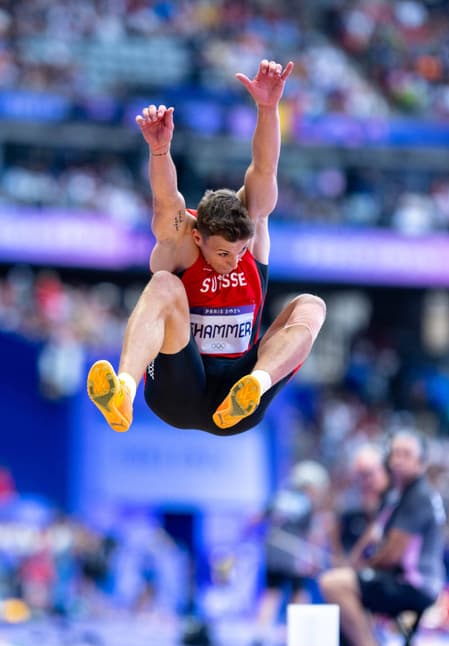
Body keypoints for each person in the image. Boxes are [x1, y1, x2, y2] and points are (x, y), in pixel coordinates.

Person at [86, 58, 326, 435]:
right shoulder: (182, 241)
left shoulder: (252, 227)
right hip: (180, 391)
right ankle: (123, 392)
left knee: (312, 306)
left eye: (241, 252)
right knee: (164, 285)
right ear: (198, 236)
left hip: (236, 400)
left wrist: (267, 108)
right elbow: (167, 203)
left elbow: (265, 169)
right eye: (223, 254)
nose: (234, 262)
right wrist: (160, 150)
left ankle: (256, 385)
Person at [319, 430, 446, 646]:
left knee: (333, 584)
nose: (398, 459)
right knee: (342, 582)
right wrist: (353, 564)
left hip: (413, 584)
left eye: (406, 454)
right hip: (402, 579)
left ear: (421, 462)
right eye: (395, 453)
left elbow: (392, 555)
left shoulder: (418, 497)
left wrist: (358, 569)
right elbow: (375, 534)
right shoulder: (399, 494)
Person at [249, 460, 332, 646]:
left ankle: (259, 633)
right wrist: (314, 557)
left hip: (273, 552)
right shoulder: (307, 503)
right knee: (299, 592)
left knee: (271, 592)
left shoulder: (280, 497)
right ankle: (299, 633)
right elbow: (313, 535)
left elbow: (256, 517)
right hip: (294, 553)